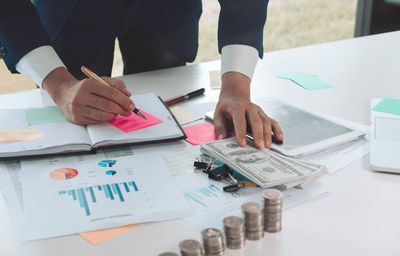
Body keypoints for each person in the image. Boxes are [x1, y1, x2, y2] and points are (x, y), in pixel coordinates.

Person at [0, 0, 283, 149]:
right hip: (71, 12)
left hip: (166, 13)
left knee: (165, 125)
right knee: (78, 118)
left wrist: (236, 85)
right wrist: (60, 85)